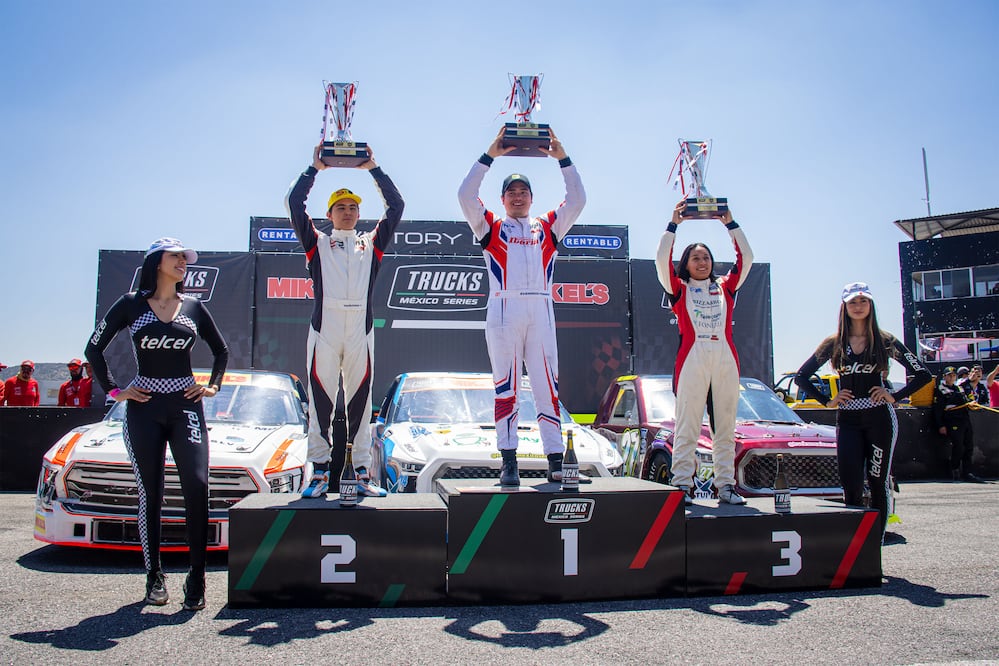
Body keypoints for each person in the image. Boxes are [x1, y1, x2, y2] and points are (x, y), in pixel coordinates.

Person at [85, 237, 228, 611]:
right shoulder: (130, 304)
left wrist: (212, 386)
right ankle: (154, 577)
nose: (183, 262)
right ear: (157, 262)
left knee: (197, 487)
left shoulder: (194, 307)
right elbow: (93, 349)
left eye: (185, 257)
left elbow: (221, 350)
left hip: (185, 407)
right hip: (143, 408)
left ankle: (196, 580)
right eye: (176, 256)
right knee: (152, 492)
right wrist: (116, 391)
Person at [457, 127, 585, 486]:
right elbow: (465, 195)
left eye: (523, 191)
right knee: (506, 387)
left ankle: (556, 459)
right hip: (503, 310)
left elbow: (576, 200)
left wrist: (562, 158)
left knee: (547, 386)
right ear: (502, 199)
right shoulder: (491, 227)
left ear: (531, 197)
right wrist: (490, 155)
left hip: (541, 310)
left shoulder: (547, 226)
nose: (517, 196)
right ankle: (509, 460)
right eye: (510, 191)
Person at [285, 144, 403, 498]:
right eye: (341, 207)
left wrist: (374, 168)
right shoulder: (317, 243)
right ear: (330, 214)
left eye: (353, 207)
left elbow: (396, 206)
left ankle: (363, 474)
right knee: (321, 402)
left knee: (360, 404)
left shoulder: (372, 244)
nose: (348, 212)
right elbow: (294, 204)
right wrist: (314, 168)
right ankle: (319, 473)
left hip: (360, 331)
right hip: (325, 328)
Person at [795, 282, 933, 541]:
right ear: (844, 307)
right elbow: (801, 377)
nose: (858, 307)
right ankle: (854, 547)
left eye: (863, 301)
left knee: (877, 481)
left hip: (879, 419)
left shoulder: (885, 340)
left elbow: (923, 374)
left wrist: (894, 397)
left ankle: (876, 546)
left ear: (871, 305)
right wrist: (828, 401)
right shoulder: (833, 343)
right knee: (850, 484)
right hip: (847, 420)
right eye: (852, 302)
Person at [655, 200, 754, 505]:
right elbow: (661, 261)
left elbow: (746, 258)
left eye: (707, 258)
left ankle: (725, 485)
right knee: (688, 423)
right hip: (692, 358)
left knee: (725, 425)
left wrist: (730, 223)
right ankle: (682, 484)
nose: (702, 262)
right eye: (695, 258)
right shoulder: (679, 288)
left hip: (724, 357)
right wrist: (674, 225)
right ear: (685, 264)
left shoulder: (726, 286)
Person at [932, 366, 984, 483]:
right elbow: (938, 409)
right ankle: (954, 469)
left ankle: (968, 472)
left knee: (969, 446)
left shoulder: (959, 389)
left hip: (965, 419)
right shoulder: (940, 389)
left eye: (954, 375)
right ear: (944, 376)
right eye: (949, 375)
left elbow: (967, 399)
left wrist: (971, 403)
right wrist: (941, 425)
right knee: (958, 446)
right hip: (952, 421)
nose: (952, 377)